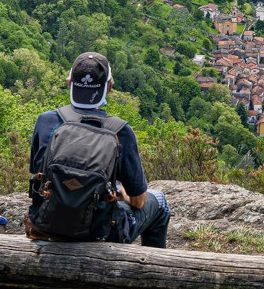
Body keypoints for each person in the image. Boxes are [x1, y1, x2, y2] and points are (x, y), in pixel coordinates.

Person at [26, 51, 170, 247]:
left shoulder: (45, 121)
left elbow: (38, 175)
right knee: (160, 200)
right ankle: (152, 263)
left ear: (69, 83)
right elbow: (139, 201)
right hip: (99, 232)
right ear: (109, 87)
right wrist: (122, 194)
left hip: (47, 223)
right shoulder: (121, 131)